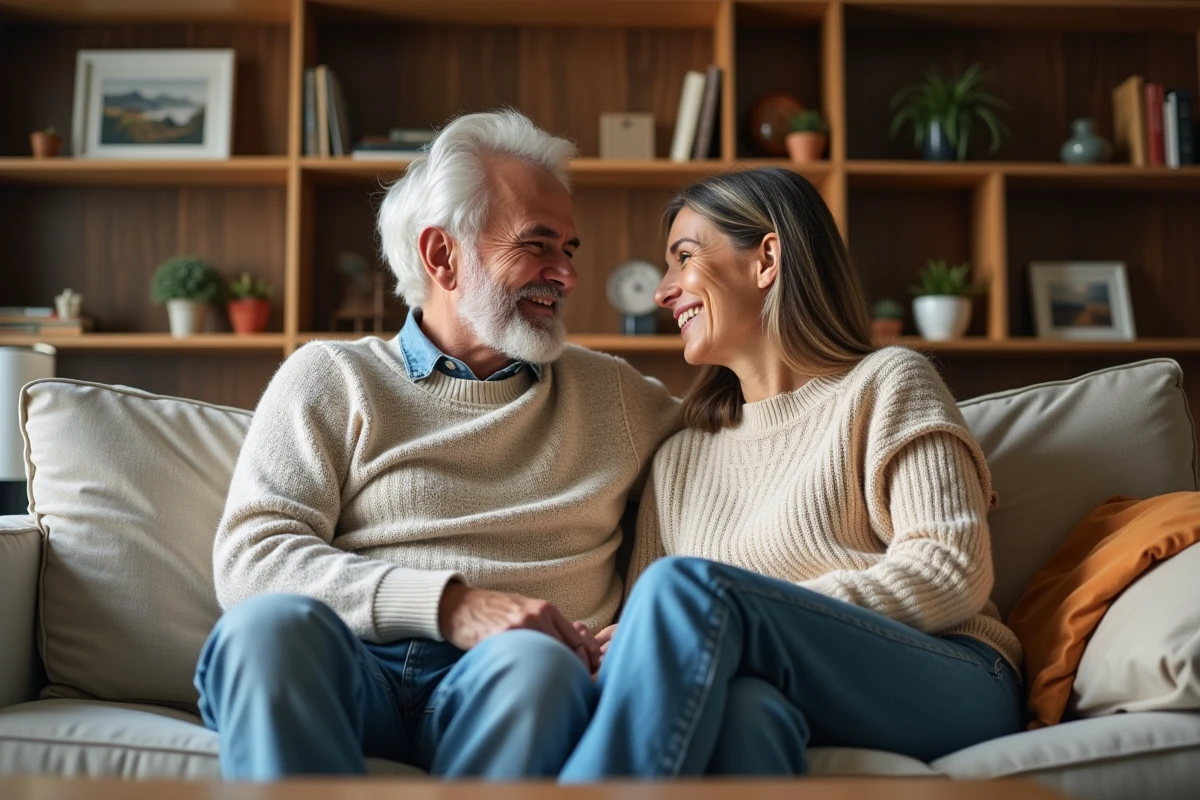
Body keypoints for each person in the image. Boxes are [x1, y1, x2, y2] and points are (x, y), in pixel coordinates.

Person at [193, 110, 679, 781]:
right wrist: (453, 606)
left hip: (511, 674)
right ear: (441, 255)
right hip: (354, 662)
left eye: (569, 250)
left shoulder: (615, 396)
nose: (565, 276)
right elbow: (253, 560)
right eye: (537, 245)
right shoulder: (334, 377)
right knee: (264, 633)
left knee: (537, 667)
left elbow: (751, 445)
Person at [560, 168, 1024, 780]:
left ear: (767, 260)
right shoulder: (679, 460)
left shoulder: (887, 384)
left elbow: (950, 569)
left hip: (948, 670)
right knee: (747, 713)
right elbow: (657, 631)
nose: (663, 291)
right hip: (778, 687)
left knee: (687, 592)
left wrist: (761, 615)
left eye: (684, 258)